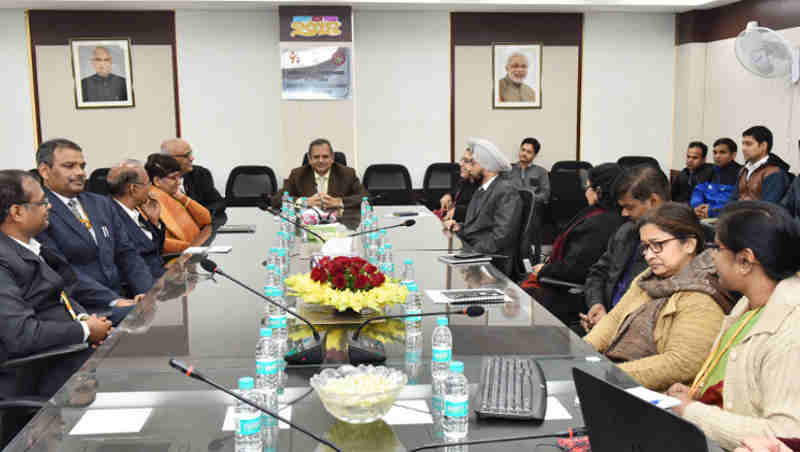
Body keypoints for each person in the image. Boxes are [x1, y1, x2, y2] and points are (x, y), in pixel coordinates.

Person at [667, 201, 800, 451]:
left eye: (717, 247)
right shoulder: (749, 303)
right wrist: (698, 394)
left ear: (745, 261)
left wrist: (691, 411)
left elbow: (786, 435)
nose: (712, 256)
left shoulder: (792, 333)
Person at [0, 170, 112, 445]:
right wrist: (84, 331)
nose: (49, 206)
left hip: (67, 358)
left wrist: (84, 319)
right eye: (41, 202)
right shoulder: (3, 261)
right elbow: (21, 335)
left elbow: (60, 292)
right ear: (17, 211)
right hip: (35, 374)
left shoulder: (30, 246)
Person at [584, 203, 731, 391]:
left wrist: (606, 373)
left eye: (658, 245)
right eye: (645, 247)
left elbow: (681, 363)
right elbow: (614, 319)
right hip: (617, 378)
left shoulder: (702, 295)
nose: (649, 255)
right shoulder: (649, 277)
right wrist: (581, 353)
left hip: (659, 396)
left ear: (689, 244)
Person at [35, 139, 153, 325]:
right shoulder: (39, 211)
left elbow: (127, 253)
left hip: (122, 300)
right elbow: (61, 270)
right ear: (44, 171)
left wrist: (147, 293)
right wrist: (114, 301)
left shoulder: (101, 203)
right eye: (69, 166)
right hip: (83, 310)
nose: (80, 173)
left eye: (82, 166)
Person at [523, 163, 626, 327]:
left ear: (598, 191)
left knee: (519, 304)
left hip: (569, 294)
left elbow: (575, 270)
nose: (586, 192)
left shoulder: (598, 223)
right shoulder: (609, 213)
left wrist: (544, 270)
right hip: (574, 285)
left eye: (588, 187)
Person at [582, 165, 670, 332]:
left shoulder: (675, 246)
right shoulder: (626, 232)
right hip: (605, 324)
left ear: (653, 201)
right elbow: (597, 273)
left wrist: (609, 326)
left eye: (629, 207)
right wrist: (596, 305)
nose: (623, 214)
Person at [444, 138, 521, 275]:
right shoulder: (483, 189)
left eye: (471, 162)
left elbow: (500, 237)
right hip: (478, 254)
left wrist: (470, 253)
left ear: (484, 165)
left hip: (492, 264)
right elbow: (478, 227)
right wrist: (459, 227)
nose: (465, 166)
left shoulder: (506, 190)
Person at [107, 160, 166, 278]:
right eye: (148, 183)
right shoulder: (109, 215)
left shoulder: (134, 209)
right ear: (133, 189)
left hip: (159, 274)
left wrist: (154, 222)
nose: (151, 188)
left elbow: (154, 250)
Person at [272, 138, 368, 210]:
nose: (321, 160)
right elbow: (277, 200)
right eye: (316, 157)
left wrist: (339, 202)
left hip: (340, 224)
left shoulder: (347, 173)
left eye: (325, 156)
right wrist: (303, 202)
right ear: (309, 159)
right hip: (307, 225)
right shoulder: (297, 174)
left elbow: (366, 198)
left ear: (332, 158)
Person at [145, 154, 212, 254]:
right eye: (173, 178)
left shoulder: (173, 194)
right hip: (172, 259)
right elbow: (158, 242)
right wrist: (192, 248)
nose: (179, 182)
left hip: (191, 250)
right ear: (157, 181)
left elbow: (206, 219)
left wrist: (183, 198)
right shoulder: (148, 201)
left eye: (179, 177)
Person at [160, 138, 227, 228]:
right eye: (186, 156)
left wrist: (199, 213)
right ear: (169, 159)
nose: (192, 158)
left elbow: (218, 203)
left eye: (190, 153)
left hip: (199, 229)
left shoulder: (200, 174)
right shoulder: (156, 179)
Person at [730, 125, 791, 204]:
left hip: (759, 215)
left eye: (748, 144)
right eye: (743, 144)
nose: (743, 148)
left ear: (763, 146)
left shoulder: (775, 173)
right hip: (739, 214)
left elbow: (768, 207)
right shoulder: (744, 169)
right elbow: (732, 200)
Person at [692, 138, 743, 219]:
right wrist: (697, 206)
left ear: (733, 155)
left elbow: (735, 202)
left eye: (722, 152)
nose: (717, 156)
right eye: (715, 152)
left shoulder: (741, 173)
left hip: (724, 217)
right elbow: (698, 191)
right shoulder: (708, 171)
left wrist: (711, 211)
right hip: (702, 214)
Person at [437, 147, 479, 223]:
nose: (460, 164)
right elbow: (455, 191)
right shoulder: (465, 179)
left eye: (466, 161)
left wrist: (457, 212)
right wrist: (448, 195)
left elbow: (479, 211)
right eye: (462, 159)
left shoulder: (484, 186)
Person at [509, 137, 550, 204]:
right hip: (511, 207)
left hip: (532, 208)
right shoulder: (509, 169)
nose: (524, 154)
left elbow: (545, 195)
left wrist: (531, 198)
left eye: (529, 152)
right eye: (523, 150)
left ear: (535, 155)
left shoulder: (541, 172)